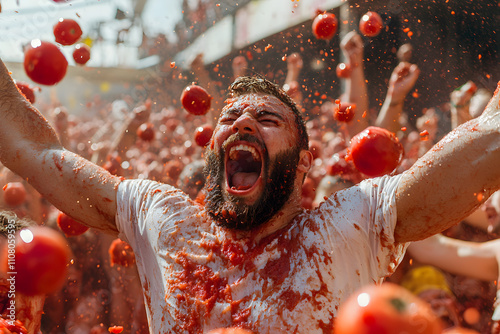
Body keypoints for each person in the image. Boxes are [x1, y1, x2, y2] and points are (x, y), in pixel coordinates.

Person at [0, 57, 499, 333]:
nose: (241, 121)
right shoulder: (163, 218)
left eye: (267, 119)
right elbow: (35, 154)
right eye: (230, 118)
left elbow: (489, 142)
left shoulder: (352, 223)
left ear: (304, 161)